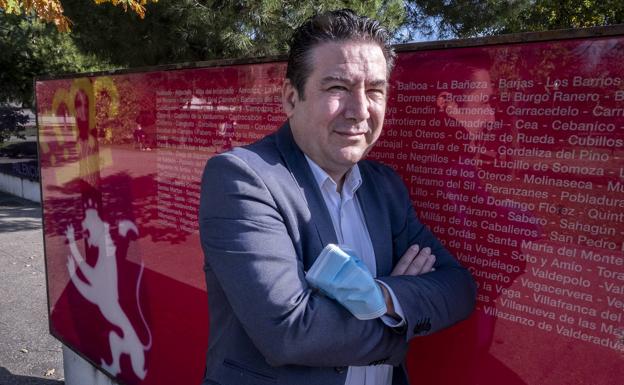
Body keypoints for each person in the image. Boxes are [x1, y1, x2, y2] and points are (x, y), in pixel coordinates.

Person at [199, 9, 476, 385]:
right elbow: (290, 333)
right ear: (290, 97)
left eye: (375, 90)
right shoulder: (243, 178)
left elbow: (457, 289)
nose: (360, 110)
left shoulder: (385, 187)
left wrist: (380, 297)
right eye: (337, 88)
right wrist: (397, 326)